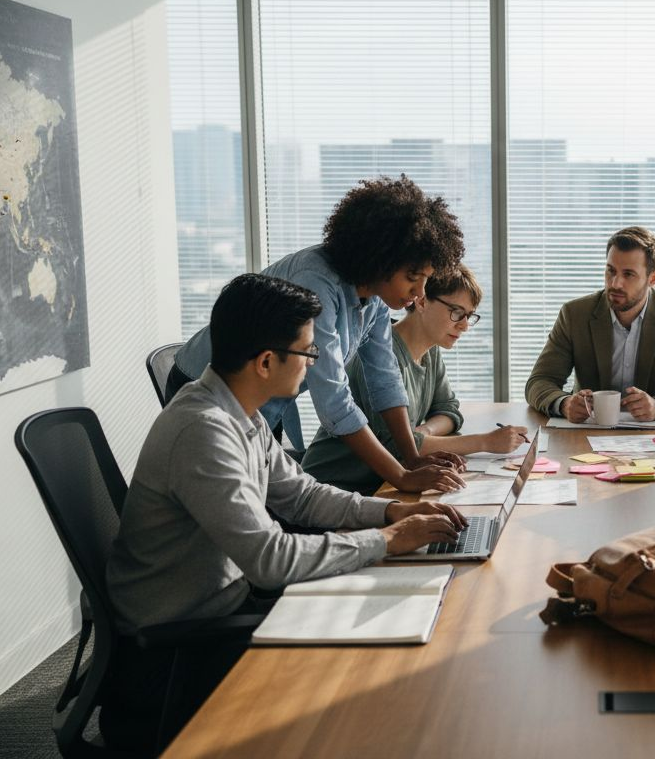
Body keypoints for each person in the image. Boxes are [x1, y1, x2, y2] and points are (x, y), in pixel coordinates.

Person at [103, 274, 468, 749]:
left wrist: (387, 514)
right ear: (266, 362)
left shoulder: (241, 412)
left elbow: (301, 496)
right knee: (371, 682)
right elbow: (271, 560)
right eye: (308, 352)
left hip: (221, 611)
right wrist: (385, 542)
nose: (314, 362)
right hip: (180, 653)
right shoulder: (204, 431)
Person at [167, 175, 465, 494]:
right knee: (238, 493)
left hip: (266, 389)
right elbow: (334, 399)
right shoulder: (317, 284)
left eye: (425, 280)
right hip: (210, 381)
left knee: (265, 489)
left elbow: (385, 376)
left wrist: (412, 457)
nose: (420, 293)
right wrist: (402, 476)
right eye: (413, 278)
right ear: (383, 259)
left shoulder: (375, 296)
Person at [302, 265, 529, 492]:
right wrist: (485, 442)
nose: (464, 326)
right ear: (421, 301)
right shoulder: (377, 355)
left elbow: (449, 410)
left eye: (469, 316)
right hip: (335, 488)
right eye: (457, 312)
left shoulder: (431, 349)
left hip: (381, 484)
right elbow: (396, 446)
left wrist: (426, 431)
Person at [525, 226, 655, 421]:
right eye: (610, 271)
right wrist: (564, 403)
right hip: (587, 431)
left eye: (628, 274)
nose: (615, 283)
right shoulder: (575, 314)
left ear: (653, 278)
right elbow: (539, 382)